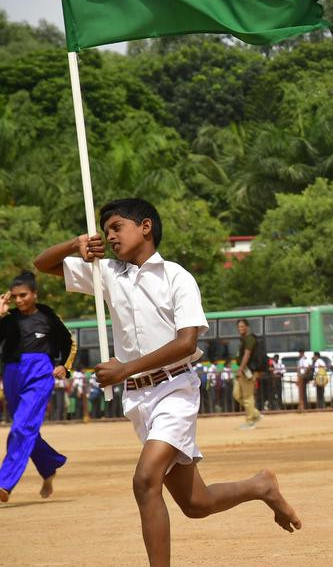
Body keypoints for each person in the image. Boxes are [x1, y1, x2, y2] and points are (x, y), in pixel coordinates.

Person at [33, 197, 300, 566]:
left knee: (145, 480)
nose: (109, 237)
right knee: (196, 503)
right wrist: (75, 245)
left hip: (176, 389)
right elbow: (41, 264)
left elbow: (186, 342)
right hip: (139, 402)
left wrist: (125, 369)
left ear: (145, 227)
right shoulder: (107, 273)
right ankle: (261, 486)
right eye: (105, 230)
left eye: (116, 227)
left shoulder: (176, 277)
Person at [0, 271, 75, 501]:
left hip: (40, 373)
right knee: (27, 428)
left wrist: (64, 366)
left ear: (34, 294)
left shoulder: (49, 316)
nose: (19, 300)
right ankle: (49, 464)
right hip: (12, 373)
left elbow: (69, 342)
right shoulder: (8, 317)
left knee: (21, 428)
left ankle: (4, 483)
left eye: (23, 295)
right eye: (15, 297)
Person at [234, 319, 264, 430]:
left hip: (247, 372)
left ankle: (250, 421)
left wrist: (240, 369)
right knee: (236, 395)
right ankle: (255, 414)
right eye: (238, 327)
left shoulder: (250, 339)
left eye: (242, 326)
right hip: (243, 371)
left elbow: (247, 354)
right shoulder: (244, 339)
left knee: (248, 397)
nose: (240, 328)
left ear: (247, 327)